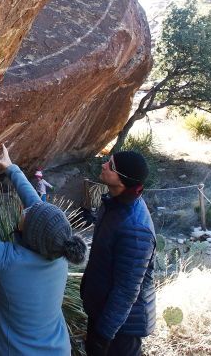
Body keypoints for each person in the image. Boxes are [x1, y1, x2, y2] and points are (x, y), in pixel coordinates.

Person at [0, 145, 87, 355]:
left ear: (29, 232)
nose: (25, 209)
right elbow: (38, 209)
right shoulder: (59, 251)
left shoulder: (8, 262)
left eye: (27, 213)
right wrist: (11, 168)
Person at [80, 151, 156, 356]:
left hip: (121, 328)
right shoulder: (114, 203)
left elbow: (126, 290)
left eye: (111, 166)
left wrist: (103, 335)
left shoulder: (135, 229)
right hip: (104, 313)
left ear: (123, 180)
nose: (104, 165)